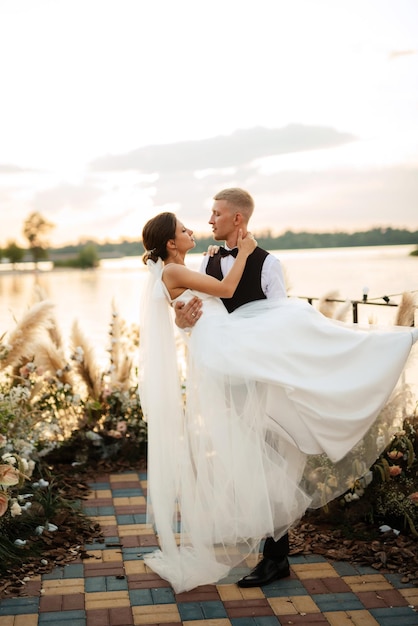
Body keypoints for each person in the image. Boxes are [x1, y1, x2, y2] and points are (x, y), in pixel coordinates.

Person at [139, 207, 418, 595]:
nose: (201, 225)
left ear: (237, 218)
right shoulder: (190, 265)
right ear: (171, 243)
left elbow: (230, 311)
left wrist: (187, 314)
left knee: (298, 328)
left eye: (214, 215)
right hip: (231, 360)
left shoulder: (245, 264)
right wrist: (188, 313)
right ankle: (275, 553)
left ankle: (387, 346)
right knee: (261, 452)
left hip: (247, 357)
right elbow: (218, 295)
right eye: (186, 227)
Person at [174, 188, 292, 588]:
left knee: (268, 462)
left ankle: (276, 558)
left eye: (217, 213)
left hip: (260, 377)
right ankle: (264, 547)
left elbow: (282, 321)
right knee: (242, 461)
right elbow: (200, 313)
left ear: (237, 219)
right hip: (223, 377)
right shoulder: (208, 259)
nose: (210, 220)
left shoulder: (269, 263)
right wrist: (184, 321)